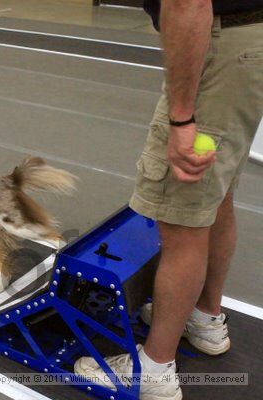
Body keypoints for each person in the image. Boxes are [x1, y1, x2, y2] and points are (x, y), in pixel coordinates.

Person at [74, 1, 263, 399]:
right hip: (249, 43)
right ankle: (204, 318)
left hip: (219, 49)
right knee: (218, 194)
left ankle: (153, 371)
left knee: (184, 217)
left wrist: (181, 119)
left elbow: (187, 4)